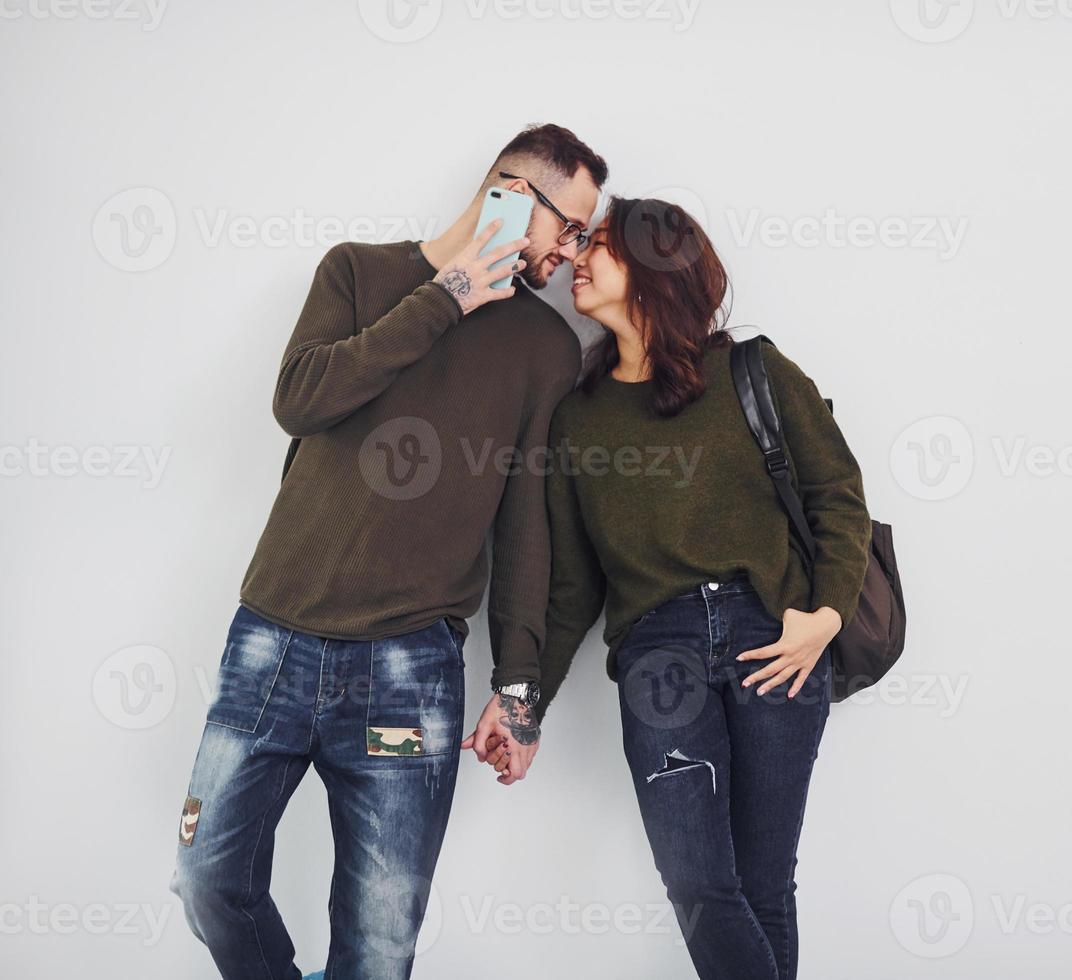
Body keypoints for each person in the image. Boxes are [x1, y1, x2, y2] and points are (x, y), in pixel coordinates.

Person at [170, 124, 607, 980]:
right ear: (513, 195)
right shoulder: (358, 273)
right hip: (272, 643)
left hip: (408, 674)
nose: (573, 251)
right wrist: (445, 297)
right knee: (205, 880)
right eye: (571, 227)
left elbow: (525, 528)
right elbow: (300, 399)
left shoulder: (545, 348)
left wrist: (518, 690)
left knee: (379, 947)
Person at [536, 197, 872, 980]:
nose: (580, 257)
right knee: (698, 886)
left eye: (605, 246)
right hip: (660, 656)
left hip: (776, 638)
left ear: (657, 267)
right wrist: (525, 700)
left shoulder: (752, 372)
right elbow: (573, 588)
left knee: (764, 884)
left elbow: (838, 496)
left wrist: (825, 615)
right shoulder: (577, 418)